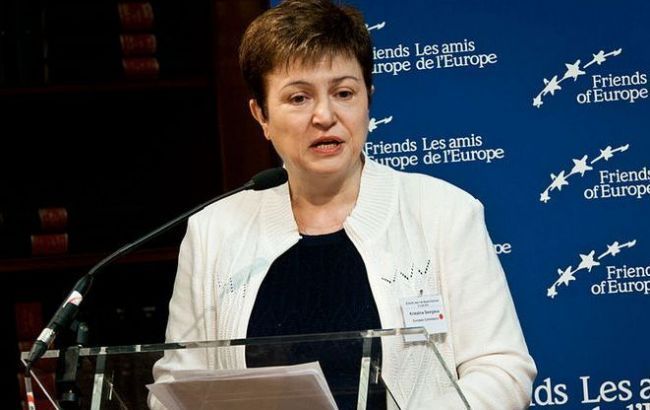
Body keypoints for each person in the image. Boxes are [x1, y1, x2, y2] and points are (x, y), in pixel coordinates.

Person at [150, 0, 537, 408]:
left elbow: (502, 371)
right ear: (261, 115)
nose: (324, 115)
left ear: (368, 99)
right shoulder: (213, 231)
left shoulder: (444, 212)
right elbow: (176, 388)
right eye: (299, 98)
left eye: (344, 93)